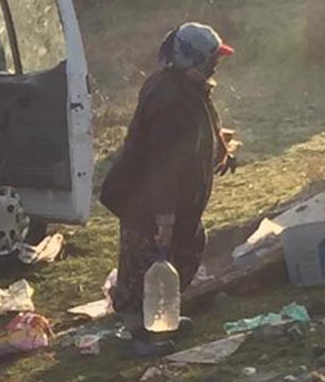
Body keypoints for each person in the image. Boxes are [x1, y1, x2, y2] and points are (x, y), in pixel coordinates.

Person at [98, 22, 238, 337]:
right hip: (146, 203)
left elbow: (203, 129)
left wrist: (223, 150)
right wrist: (164, 220)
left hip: (177, 202)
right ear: (191, 60)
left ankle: (162, 319)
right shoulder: (168, 100)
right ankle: (138, 335)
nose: (215, 67)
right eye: (210, 61)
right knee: (142, 272)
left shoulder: (191, 90)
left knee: (188, 248)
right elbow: (162, 164)